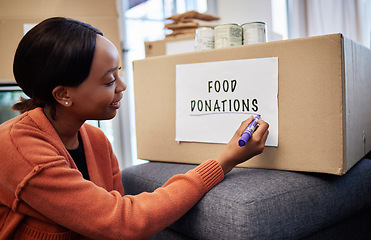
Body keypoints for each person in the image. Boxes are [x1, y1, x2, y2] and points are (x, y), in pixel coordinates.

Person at [0, 17, 269, 240]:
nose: (122, 86)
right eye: (108, 81)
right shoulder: (19, 149)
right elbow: (123, 222)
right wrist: (225, 161)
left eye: (118, 72)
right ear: (63, 95)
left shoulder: (96, 140)